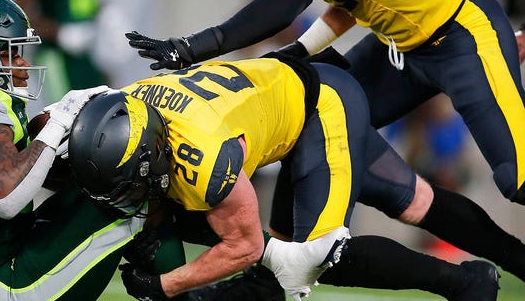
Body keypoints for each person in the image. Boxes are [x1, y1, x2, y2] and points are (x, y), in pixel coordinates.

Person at [125, 0, 525, 282]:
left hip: (462, 33)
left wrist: (193, 47)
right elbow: (348, 2)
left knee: (517, 179)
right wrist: (297, 53)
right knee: (313, 117)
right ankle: (497, 269)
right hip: (399, 46)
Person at [68, 52, 499, 300]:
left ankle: (464, 282)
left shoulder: (200, 158)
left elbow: (247, 244)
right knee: (272, 264)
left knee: (315, 255)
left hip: (321, 104)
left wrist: (166, 285)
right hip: (277, 107)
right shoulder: (128, 114)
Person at [0, 0, 191, 301]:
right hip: (1, 288)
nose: (21, 64)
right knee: (133, 195)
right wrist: (59, 122)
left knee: (109, 183)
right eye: (9, 53)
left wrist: (63, 142)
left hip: (6, 265)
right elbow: (4, 196)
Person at [12, 0, 110, 105]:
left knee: (99, 105)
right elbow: (18, 11)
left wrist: (107, 12)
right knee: (67, 112)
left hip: (87, 55)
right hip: (56, 58)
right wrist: (58, 33)